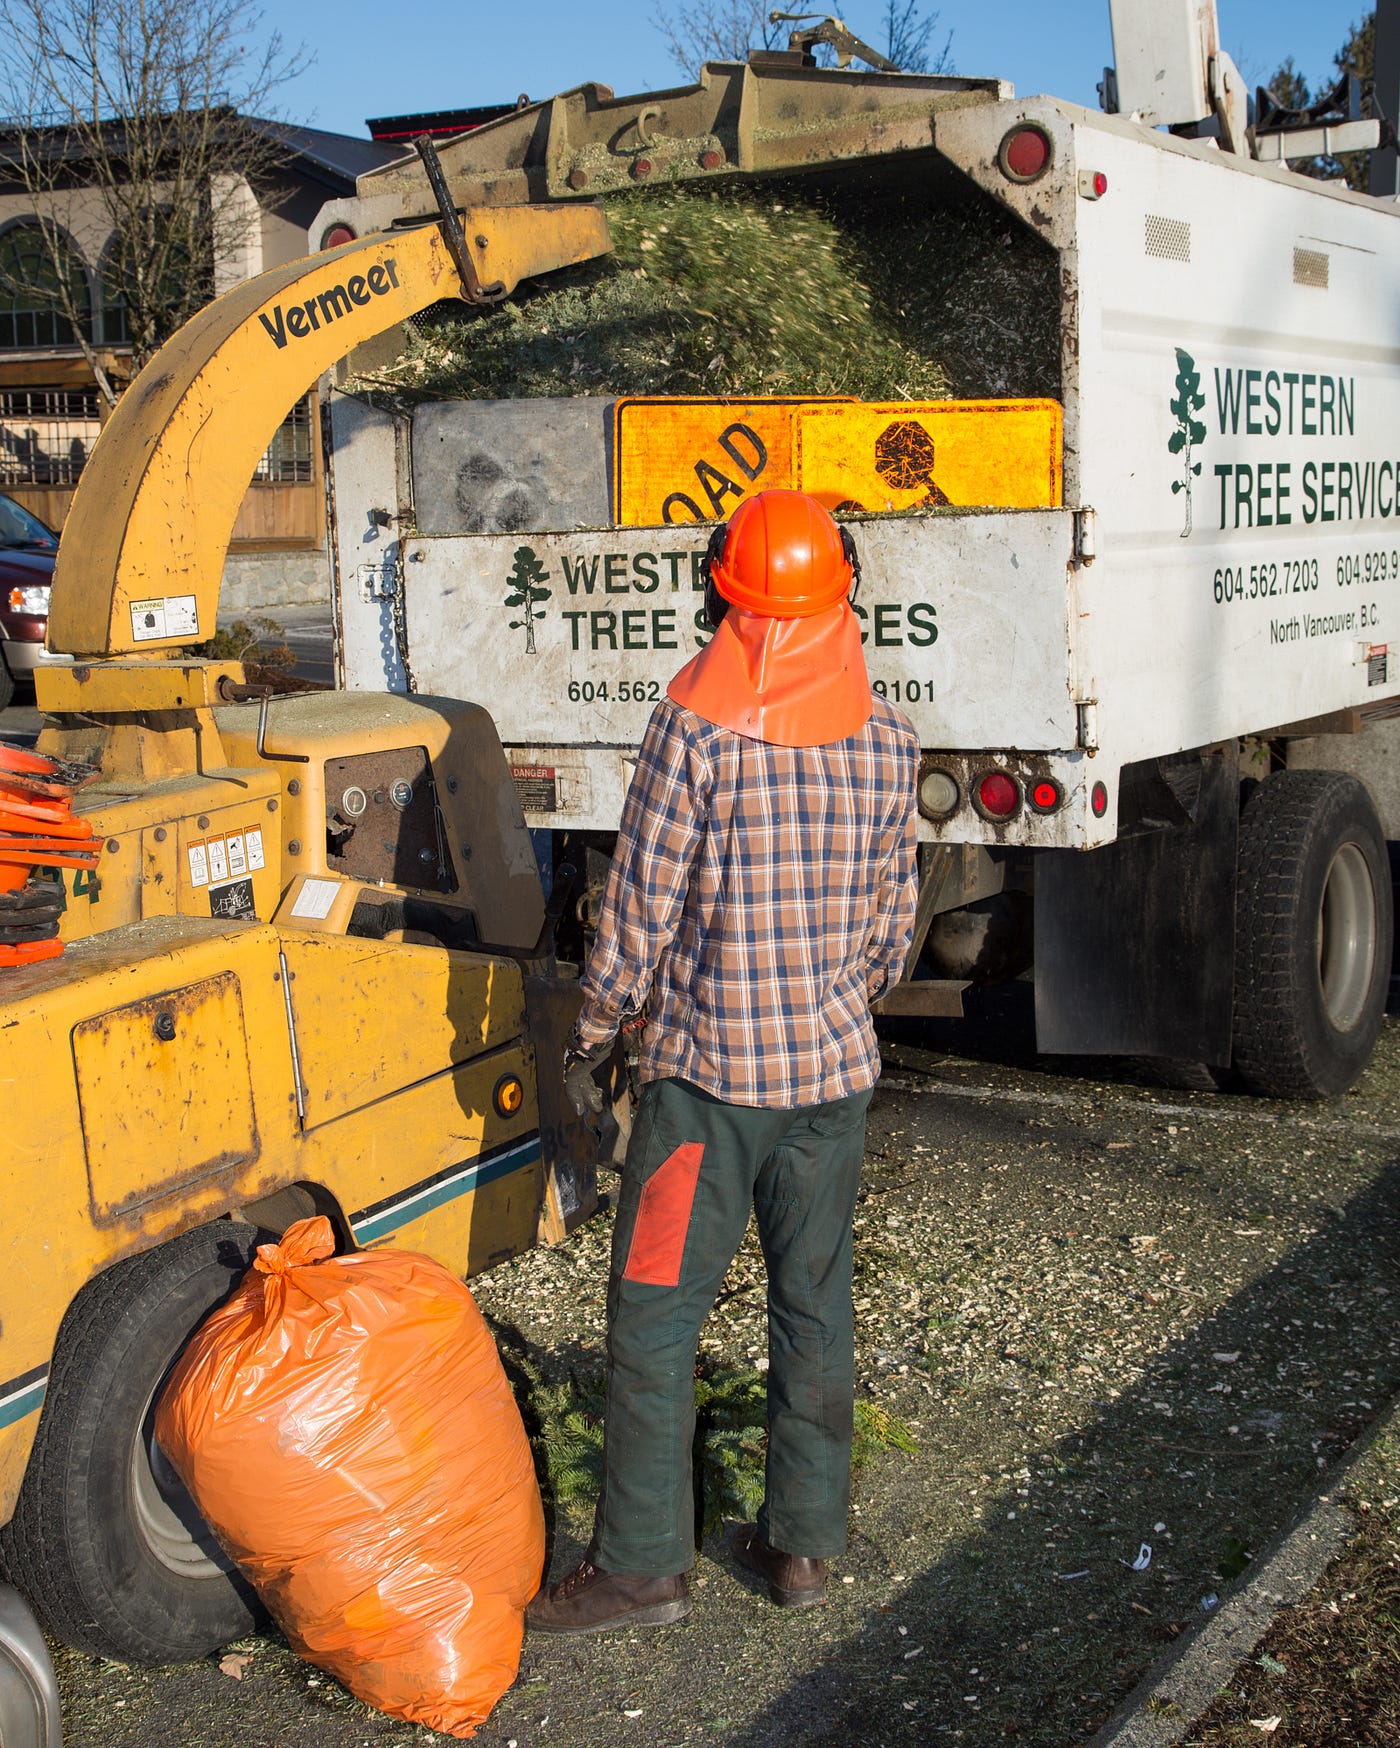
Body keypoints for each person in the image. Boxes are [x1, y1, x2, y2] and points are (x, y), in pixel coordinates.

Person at [526, 489, 919, 1636]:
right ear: (841, 592)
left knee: (652, 1317)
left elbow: (639, 914)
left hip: (704, 1092)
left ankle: (643, 1565)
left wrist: (592, 1032)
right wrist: (832, 1001)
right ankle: (799, 1545)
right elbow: (892, 925)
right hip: (832, 1086)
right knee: (812, 1306)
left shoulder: (693, 731)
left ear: (720, 594)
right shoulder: (889, 740)